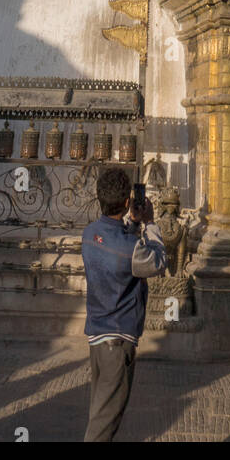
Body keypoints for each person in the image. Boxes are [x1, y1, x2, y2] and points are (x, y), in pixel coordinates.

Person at [81, 166, 167, 441]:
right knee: (104, 424)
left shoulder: (89, 234)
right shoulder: (130, 249)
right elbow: (157, 261)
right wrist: (151, 223)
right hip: (118, 341)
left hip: (98, 335)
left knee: (100, 411)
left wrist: (131, 222)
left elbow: (115, 243)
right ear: (128, 201)